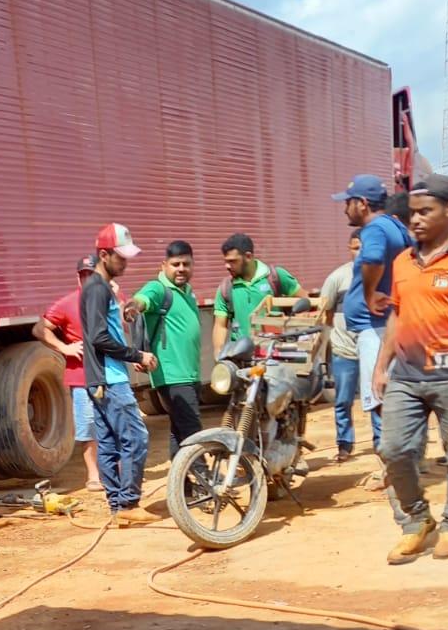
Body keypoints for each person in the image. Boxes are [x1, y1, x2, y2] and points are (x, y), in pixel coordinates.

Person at [373, 174, 448, 564]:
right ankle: (418, 520)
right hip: (407, 374)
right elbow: (396, 315)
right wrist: (380, 366)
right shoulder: (403, 260)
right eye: (411, 214)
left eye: (425, 212)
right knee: (393, 449)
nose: (415, 220)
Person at [80, 223, 155, 526]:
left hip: (100, 379)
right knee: (136, 438)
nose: (125, 262)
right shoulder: (97, 289)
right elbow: (99, 337)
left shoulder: (97, 289)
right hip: (110, 380)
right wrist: (137, 355)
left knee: (110, 442)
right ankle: (128, 503)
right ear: (103, 254)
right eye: (120, 257)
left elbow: (102, 334)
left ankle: (117, 505)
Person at [332, 175, 411, 457]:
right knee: (387, 397)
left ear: (363, 204)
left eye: (348, 203)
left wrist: (368, 294)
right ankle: (400, 462)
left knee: (380, 398)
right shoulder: (393, 224)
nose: (345, 209)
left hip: (375, 327)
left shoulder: (374, 229)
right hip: (384, 326)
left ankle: (394, 466)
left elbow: (374, 259)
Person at [34, 255, 102, 491]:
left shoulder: (112, 299)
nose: (89, 279)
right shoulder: (67, 303)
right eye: (85, 275)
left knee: (116, 424)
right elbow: (39, 328)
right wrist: (64, 348)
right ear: (78, 277)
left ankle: (118, 472)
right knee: (88, 427)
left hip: (110, 375)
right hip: (81, 376)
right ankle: (93, 476)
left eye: (93, 274)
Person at [129, 240, 203, 456]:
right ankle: (204, 483)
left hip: (189, 375)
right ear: (164, 265)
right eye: (176, 264)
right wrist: (134, 307)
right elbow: (142, 299)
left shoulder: (187, 291)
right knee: (193, 433)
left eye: (186, 264)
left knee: (179, 432)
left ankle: (184, 486)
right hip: (173, 377)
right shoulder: (159, 288)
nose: (181, 269)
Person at [318, 233, 379, 460]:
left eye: (363, 247)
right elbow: (326, 313)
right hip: (344, 351)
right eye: (355, 248)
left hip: (372, 349)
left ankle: (380, 442)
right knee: (342, 400)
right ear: (348, 248)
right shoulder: (337, 278)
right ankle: (344, 445)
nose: (359, 252)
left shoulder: (380, 274)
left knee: (376, 398)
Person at [211, 235, 301, 357]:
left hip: (274, 356)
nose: (227, 266)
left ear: (248, 256)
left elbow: (305, 302)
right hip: (241, 358)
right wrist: (218, 353)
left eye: (232, 261)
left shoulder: (275, 276)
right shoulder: (226, 287)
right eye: (226, 261)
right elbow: (220, 326)